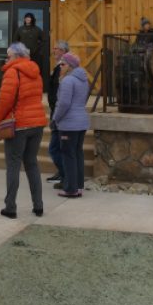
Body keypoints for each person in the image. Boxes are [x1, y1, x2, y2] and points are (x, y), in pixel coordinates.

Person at [0, 42, 47, 219]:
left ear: (16, 56)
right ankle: (38, 205)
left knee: (13, 165)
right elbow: (38, 96)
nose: (6, 58)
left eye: (8, 56)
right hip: (37, 123)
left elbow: (5, 100)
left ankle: (10, 207)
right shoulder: (36, 72)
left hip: (19, 124)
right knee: (32, 163)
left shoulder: (13, 72)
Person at [52, 52, 89, 198]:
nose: (60, 66)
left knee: (68, 155)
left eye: (63, 64)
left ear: (70, 66)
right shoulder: (83, 79)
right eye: (59, 64)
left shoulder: (68, 81)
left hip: (69, 123)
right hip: (81, 121)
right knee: (77, 153)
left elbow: (64, 104)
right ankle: (78, 186)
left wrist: (55, 118)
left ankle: (70, 188)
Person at [45, 40, 70, 185]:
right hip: (56, 109)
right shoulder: (58, 66)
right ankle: (62, 172)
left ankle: (65, 174)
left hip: (59, 112)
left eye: (56, 49)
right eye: (53, 48)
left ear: (63, 51)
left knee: (55, 147)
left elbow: (60, 91)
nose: (54, 51)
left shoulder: (63, 67)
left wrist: (56, 114)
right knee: (56, 146)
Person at [14, 12, 47, 78]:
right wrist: (18, 50)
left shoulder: (37, 29)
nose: (28, 19)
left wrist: (39, 50)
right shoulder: (20, 29)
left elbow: (44, 40)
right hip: (23, 54)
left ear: (32, 19)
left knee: (34, 70)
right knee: (23, 70)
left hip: (35, 55)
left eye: (29, 18)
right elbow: (15, 41)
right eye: (26, 17)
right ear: (24, 19)